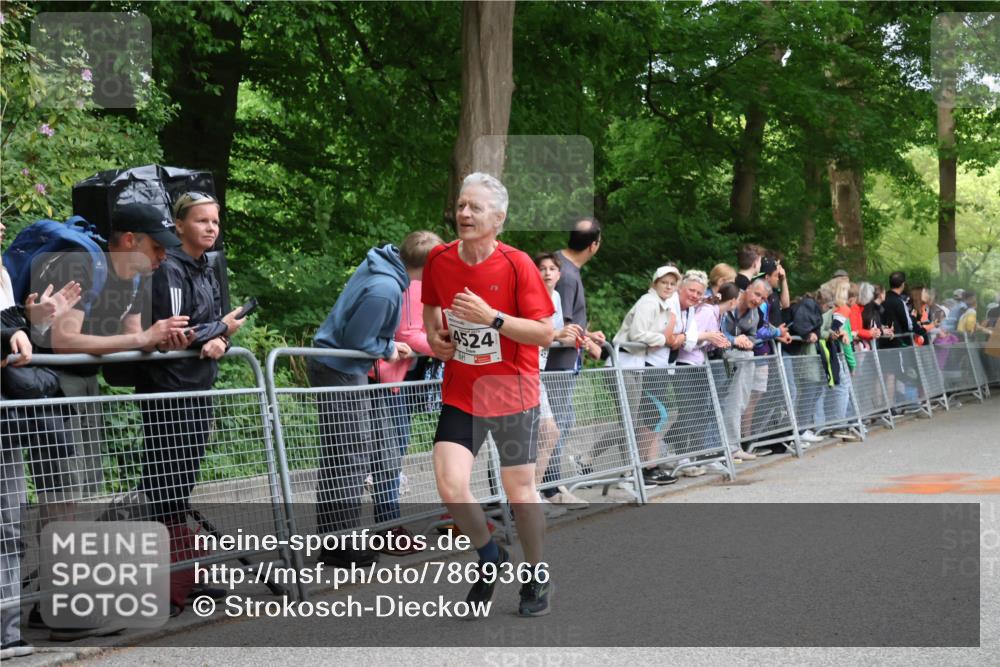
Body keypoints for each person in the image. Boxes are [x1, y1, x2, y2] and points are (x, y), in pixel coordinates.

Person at [422, 173, 555, 617]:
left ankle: (536, 575)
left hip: (513, 393)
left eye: (475, 208)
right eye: (461, 205)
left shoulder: (518, 265)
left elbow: (544, 333)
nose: (464, 214)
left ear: (498, 219)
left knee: (519, 489)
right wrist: (434, 339)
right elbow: (431, 308)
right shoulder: (440, 259)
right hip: (463, 391)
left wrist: (493, 318)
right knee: (450, 483)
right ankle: (490, 554)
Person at [134, 192, 248, 616]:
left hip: (199, 386)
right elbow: (177, 332)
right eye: (201, 221)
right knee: (164, 485)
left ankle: (183, 573)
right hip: (169, 388)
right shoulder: (169, 269)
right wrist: (219, 328)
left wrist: (221, 336)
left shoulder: (209, 267)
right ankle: (163, 585)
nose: (211, 228)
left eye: (215, 222)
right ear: (179, 226)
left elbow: (211, 327)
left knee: (181, 486)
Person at [309, 231, 438, 568]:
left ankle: (337, 540)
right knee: (349, 455)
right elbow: (357, 339)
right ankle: (341, 545)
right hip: (339, 369)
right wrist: (390, 348)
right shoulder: (386, 288)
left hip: (341, 368)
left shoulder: (385, 268)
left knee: (348, 454)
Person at [367, 234, 442, 552]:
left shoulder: (419, 282)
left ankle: (389, 523)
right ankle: (386, 527)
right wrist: (444, 348)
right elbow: (407, 333)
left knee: (393, 451)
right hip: (387, 379)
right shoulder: (409, 284)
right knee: (388, 453)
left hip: (403, 378)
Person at [539, 218, 605, 508]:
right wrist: (587, 343)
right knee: (555, 425)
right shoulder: (563, 274)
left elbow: (566, 322)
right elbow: (558, 325)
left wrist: (588, 334)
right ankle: (550, 488)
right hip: (555, 363)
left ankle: (550, 485)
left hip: (563, 360)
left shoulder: (562, 268)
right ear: (594, 245)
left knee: (561, 423)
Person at [533, 252, 592, 517]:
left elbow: (558, 335)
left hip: (539, 368)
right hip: (526, 370)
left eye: (551, 268)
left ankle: (534, 494)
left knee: (550, 432)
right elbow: (539, 332)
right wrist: (558, 335)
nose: (547, 273)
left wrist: (585, 338)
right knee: (539, 434)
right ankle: (529, 497)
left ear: (559, 274)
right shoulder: (530, 294)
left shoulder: (556, 297)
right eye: (542, 268)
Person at [612, 265, 682, 485]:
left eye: (672, 284)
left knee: (632, 419)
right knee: (629, 419)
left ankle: (632, 469)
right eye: (664, 283)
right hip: (623, 363)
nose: (668, 287)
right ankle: (627, 472)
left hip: (636, 364)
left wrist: (658, 340)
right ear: (655, 283)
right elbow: (637, 334)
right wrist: (664, 340)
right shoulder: (648, 302)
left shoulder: (661, 306)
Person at [719, 279, 784, 459]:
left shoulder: (755, 314)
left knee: (738, 401)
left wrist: (747, 341)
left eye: (762, 298)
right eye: (756, 294)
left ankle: (732, 447)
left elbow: (754, 336)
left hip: (737, 361)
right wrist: (734, 340)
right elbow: (713, 327)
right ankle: (718, 450)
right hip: (714, 358)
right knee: (712, 405)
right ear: (747, 289)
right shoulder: (729, 301)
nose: (758, 300)